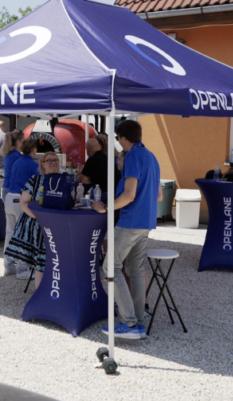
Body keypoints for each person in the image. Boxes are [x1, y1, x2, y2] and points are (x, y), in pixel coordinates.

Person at [91, 120, 161, 340]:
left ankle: (129, 322)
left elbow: (129, 195)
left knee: (110, 267)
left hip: (131, 221)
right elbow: (159, 195)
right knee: (135, 270)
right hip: (146, 221)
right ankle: (138, 322)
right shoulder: (151, 156)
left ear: (122, 138)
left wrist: (105, 207)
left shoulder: (132, 156)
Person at [5, 151, 67, 288]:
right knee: (41, 261)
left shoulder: (64, 180)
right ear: (42, 164)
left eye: (55, 160)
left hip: (59, 226)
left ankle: (56, 290)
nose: (53, 163)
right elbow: (23, 203)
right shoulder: (35, 180)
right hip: (37, 226)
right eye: (49, 160)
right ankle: (40, 293)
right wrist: (39, 217)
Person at [4, 138, 39, 279]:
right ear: (33, 149)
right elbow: (38, 185)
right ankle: (22, 270)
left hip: (9, 198)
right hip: (21, 201)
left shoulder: (17, 161)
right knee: (23, 235)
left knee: (9, 234)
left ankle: (8, 267)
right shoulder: (34, 165)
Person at [0, 130, 24, 275]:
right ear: (18, 142)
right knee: (19, 232)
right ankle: (21, 267)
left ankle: (8, 265)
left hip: (6, 191)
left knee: (10, 232)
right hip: (14, 192)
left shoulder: (9, 154)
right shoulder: (17, 156)